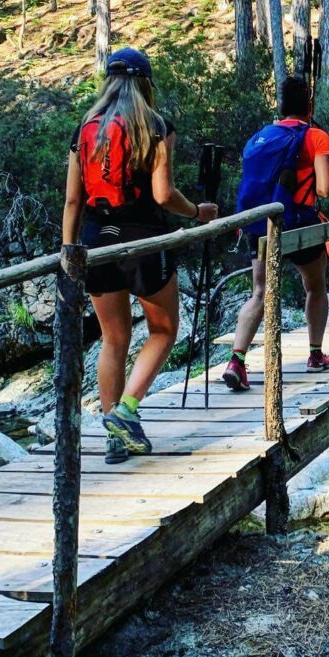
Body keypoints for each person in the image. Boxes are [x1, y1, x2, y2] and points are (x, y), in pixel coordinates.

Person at [62, 48, 218, 461]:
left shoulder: (85, 128)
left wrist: (69, 251)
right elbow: (163, 195)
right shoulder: (155, 125)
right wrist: (197, 213)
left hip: (95, 240)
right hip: (144, 240)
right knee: (164, 330)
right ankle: (126, 411)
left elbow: (73, 201)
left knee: (113, 338)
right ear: (146, 83)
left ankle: (115, 436)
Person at [223, 75, 329, 392]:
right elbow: (324, 188)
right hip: (299, 222)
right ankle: (315, 354)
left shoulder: (261, 136)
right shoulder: (316, 136)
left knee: (260, 293)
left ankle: (236, 361)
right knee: (315, 286)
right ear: (309, 105)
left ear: (282, 106)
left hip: (260, 226)